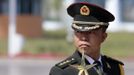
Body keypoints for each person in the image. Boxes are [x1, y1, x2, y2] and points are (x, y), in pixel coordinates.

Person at [49, 2, 124, 75]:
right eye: (78, 31)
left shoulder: (116, 68)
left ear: (103, 37)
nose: (83, 38)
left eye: (90, 32)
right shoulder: (62, 72)